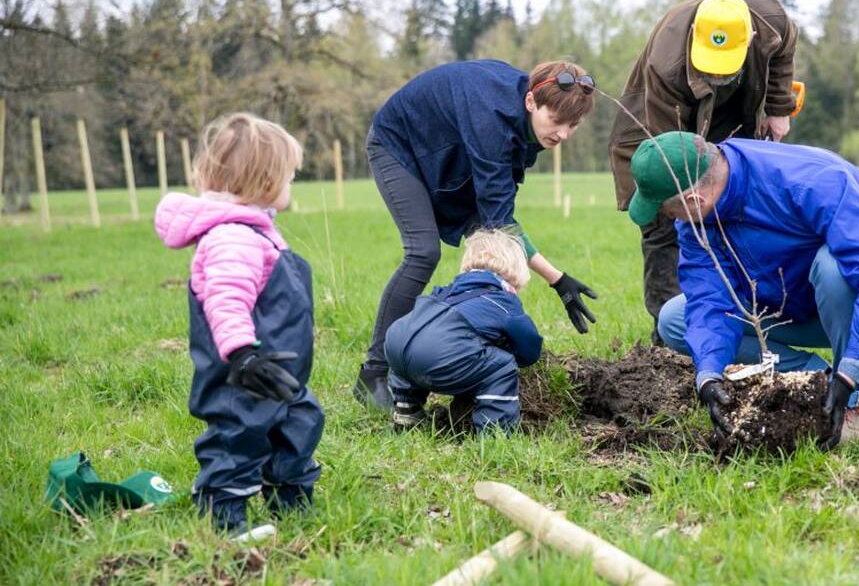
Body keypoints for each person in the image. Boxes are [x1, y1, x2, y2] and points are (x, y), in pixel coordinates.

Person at [626, 132, 859, 449]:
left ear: (695, 200)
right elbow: (710, 300)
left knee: (833, 266)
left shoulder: (810, 180)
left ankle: (851, 399)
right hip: (801, 305)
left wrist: (852, 369)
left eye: (669, 212)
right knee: (675, 319)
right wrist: (708, 374)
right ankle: (818, 380)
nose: (671, 220)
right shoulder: (698, 222)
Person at [355, 59, 599, 410]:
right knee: (423, 251)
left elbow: (499, 217)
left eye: (573, 126)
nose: (562, 134)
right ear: (531, 102)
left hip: (449, 157)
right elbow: (498, 223)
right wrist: (545, 282)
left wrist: (558, 279)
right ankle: (373, 374)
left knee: (488, 229)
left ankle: (474, 364)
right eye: (556, 121)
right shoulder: (493, 118)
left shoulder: (522, 124)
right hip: (399, 145)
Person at [155, 113, 323, 536]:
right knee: (237, 437)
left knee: (299, 422)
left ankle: (291, 500)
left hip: (278, 372)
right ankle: (223, 518)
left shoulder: (255, 231)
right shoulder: (232, 238)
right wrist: (243, 355)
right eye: (288, 177)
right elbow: (227, 301)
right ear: (265, 182)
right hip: (243, 374)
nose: (290, 185)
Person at [609, 0, 800, 341]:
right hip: (656, 135)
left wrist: (778, 107)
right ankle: (672, 337)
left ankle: (739, 323)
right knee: (666, 225)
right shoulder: (666, 64)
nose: (715, 73)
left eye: (723, 66)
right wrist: (692, 203)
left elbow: (785, 49)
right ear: (696, 32)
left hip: (731, 124)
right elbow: (669, 153)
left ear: (751, 39)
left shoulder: (770, 21)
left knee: (737, 216)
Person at [384, 229, 543, 432]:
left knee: (418, 347)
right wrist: (512, 352)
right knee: (502, 365)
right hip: (440, 358)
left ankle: (407, 410)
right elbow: (530, 348)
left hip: (396, 346)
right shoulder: (503, 301)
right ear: (514, 275)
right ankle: (496, 430)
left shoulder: (447, 291)